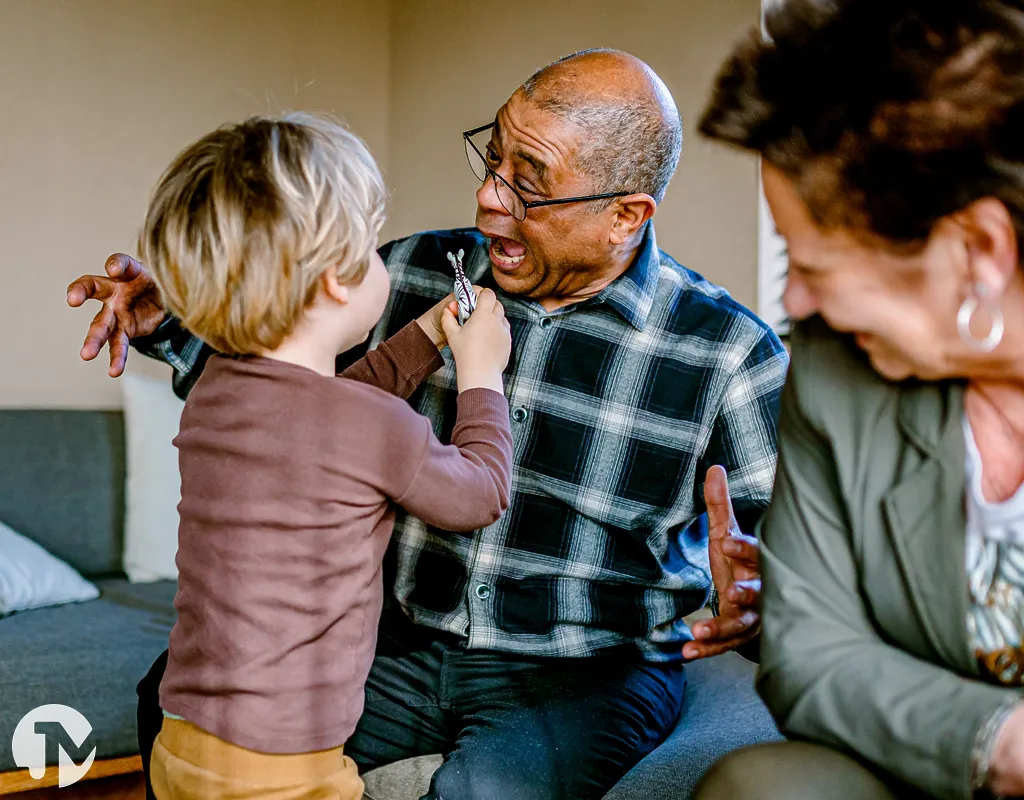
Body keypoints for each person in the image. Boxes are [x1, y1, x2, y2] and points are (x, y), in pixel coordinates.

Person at [66, 50, 788, 799]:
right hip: (395, 642)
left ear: (625, 216)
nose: (487, 198)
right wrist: (171, 321)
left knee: (485, 792)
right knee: (180, 707)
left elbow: (804, 559)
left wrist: (771, 602)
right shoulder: (408, 272)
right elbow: (280, 400)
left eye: (529, 183)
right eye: (493, 156)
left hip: (584, 671)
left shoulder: (731, 355)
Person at [691, 1, 1024, 799]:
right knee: (760, 787)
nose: (796, 299)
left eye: (812, 261)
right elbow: (811, 655)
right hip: (946, 765)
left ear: (981, 250)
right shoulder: (834, 364)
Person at [130, 111, 514, 800]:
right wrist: (482, 375)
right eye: (369, 250)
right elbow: (479, 492)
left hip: (181, 734)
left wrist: (425, 336)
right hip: (287, 766)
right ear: (338, 281)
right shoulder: (372, 426)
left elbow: (326, 411)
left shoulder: (216, 388)